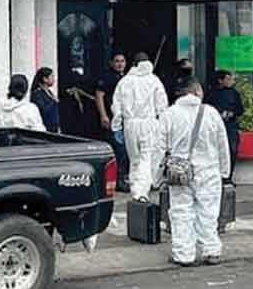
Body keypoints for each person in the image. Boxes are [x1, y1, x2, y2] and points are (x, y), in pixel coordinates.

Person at [162, 78, 232, 267]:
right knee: (209, 211)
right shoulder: (211, 113)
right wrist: (225, 171)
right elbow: (222, 143)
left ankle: (184, 254)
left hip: (180, 171)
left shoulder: (169, 114)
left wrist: (155, 175)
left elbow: (159, 146)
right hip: (209, 170)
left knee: (181, 211)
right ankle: (211, 250)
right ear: (197, 92)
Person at [111, 53, 169, 202]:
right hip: (149, 123)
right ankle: (141, 191)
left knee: (135, 159)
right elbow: (162, 106)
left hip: (130, 125)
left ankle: (136, 189)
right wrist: (163, 126)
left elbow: (117, 106)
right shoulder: (154, 81)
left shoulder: (125, 81)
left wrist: (117, 126)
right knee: (146, 158)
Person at [96, 53, 129, 192]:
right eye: (117, 61)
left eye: (122, 61)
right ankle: (116, 180)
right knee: (117, 151)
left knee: (125, 151)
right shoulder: (107, 78)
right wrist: (103, 115)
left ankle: (123, 177)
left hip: (125, 120)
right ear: (111, 63)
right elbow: (99, 96)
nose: (120, 64)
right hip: (112, 119)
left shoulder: (127, 78)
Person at [206, 70, 243, 182]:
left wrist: (231, 113)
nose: (230, 81)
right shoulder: (212, 93)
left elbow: (240, 109)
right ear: (220, 80)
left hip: (230, 126)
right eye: (228, 79)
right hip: (215, 126)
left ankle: (228, 177)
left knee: (232, 150)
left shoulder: (234, 93)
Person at [30, 68, 60, 133]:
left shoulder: (50, 92)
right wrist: (53, 101)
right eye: (52, 76)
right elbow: (43, 109)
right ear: (45, 79)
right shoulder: (37, 94)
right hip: (45, 127)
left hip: (54, 127)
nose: (54, 79)